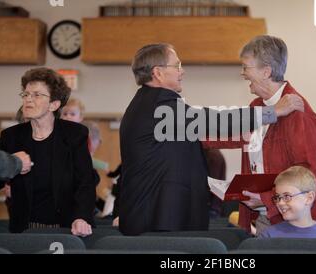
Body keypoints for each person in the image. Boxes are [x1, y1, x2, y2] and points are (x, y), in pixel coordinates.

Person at [119, 43, 304, 236]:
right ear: (157, 72)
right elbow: (215, 120)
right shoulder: (158, 105)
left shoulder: (148, 103)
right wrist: (273, 112)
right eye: (177, 65)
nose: (182, 71)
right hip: (157, 220)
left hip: (156, 217)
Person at [204, 35, 316, 235]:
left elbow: (310, 173)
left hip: (304, 223)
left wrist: (266, 198)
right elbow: (230, 134)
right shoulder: (258, 107)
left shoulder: (298, 113)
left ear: (266, 71)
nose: (243, 74)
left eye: (246, 67)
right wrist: (190, 136)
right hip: (268, 218)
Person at [0, 68, 96, 236]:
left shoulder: (74, 135)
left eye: (37, 95)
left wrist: (81, 217)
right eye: (26, 94)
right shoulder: (11, 136)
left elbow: (85, 182)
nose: (28, 99)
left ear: (54, 104)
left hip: (67, 228)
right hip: (24, 229)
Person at [259, 166, 316, 239]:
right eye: (277, 197)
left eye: (287, 196)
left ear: (309, 198)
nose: (280, 203)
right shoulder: (268, 236)